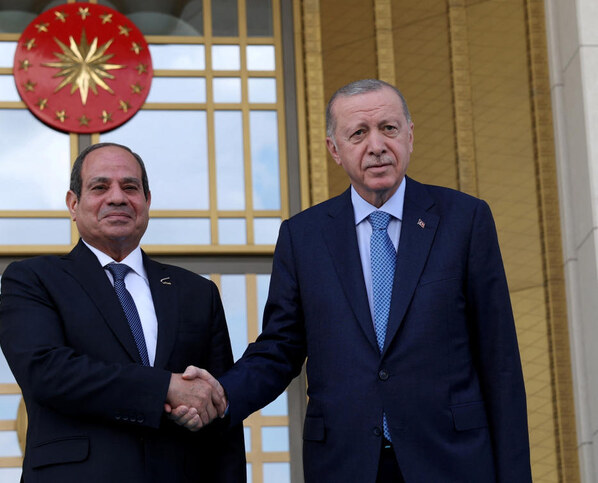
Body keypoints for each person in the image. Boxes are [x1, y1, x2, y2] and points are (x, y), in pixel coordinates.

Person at [174, 79, 532, 481]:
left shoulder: (465, 219)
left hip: (452, 461)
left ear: (410, 136)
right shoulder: (303, 237)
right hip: (345, 464)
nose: (376, 145)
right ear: (334, 150)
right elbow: (279, 348)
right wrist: (221, 396)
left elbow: (499, 361)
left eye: (389, 128)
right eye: (358, 133)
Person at [0, 142, 245, 482]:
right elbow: (47, 372)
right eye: (100, 187)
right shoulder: (33, 279)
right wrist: (165, 388)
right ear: (73, 204)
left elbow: (219, 410)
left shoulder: (198, 293)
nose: (117, 198)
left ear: (147, 201)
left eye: (130, 187)